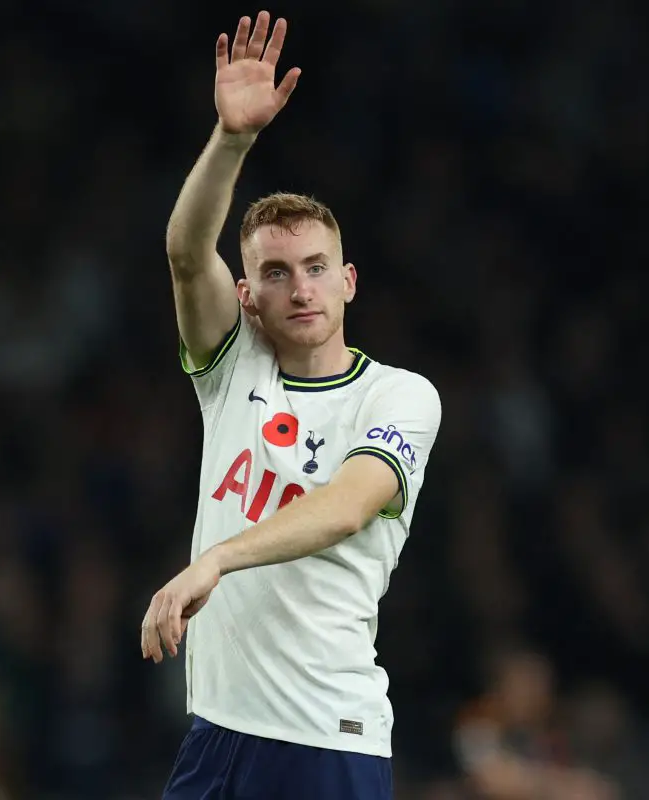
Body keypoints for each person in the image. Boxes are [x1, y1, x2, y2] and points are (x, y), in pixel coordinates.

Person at [138, 10, 442, 800]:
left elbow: (345, 507)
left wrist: (217, 558)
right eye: (277, 273)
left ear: (348, 281)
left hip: (322, 737)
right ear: (247, 294)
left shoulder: (399, 396)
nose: (300, 287)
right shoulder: (230, 368)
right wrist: (232, 140)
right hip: (216, 731)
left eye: (316, 267)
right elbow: (182, 251)